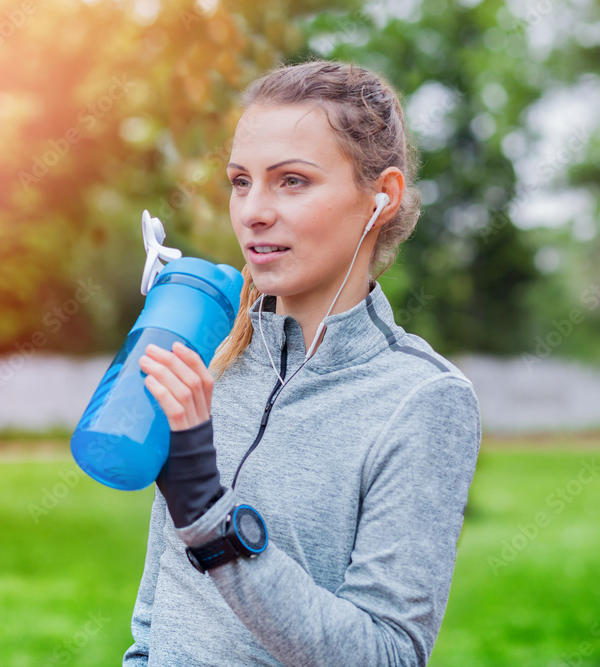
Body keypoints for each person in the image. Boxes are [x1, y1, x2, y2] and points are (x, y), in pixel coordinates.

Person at [123, 60, 482, 666]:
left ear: (382, 197)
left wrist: (210, 513)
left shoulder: (422, 400)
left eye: (292, 181)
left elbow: (386, 654)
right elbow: (161, 606)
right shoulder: (214, 356)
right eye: (241, 181)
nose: (253, 211)